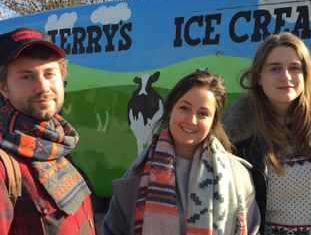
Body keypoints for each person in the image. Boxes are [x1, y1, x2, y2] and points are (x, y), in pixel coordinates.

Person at [223, 32, 311, 235]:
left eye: (295, 68)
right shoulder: (239, 136)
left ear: (306, 75)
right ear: (259, 77)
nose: (286, 77)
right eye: (275, 68)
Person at [103, 70, 260, 235]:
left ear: (213, 121)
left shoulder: (237, 175)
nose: (191, 120)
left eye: (203, 113)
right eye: (184, 108)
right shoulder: (138, 172)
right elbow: (113, 230)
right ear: (170, 109)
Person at [0, 27, 96, 234]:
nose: (43, 87)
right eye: (26, 77)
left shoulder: (54, 142)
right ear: (3, 88)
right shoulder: (4, 163)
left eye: (49, 73)